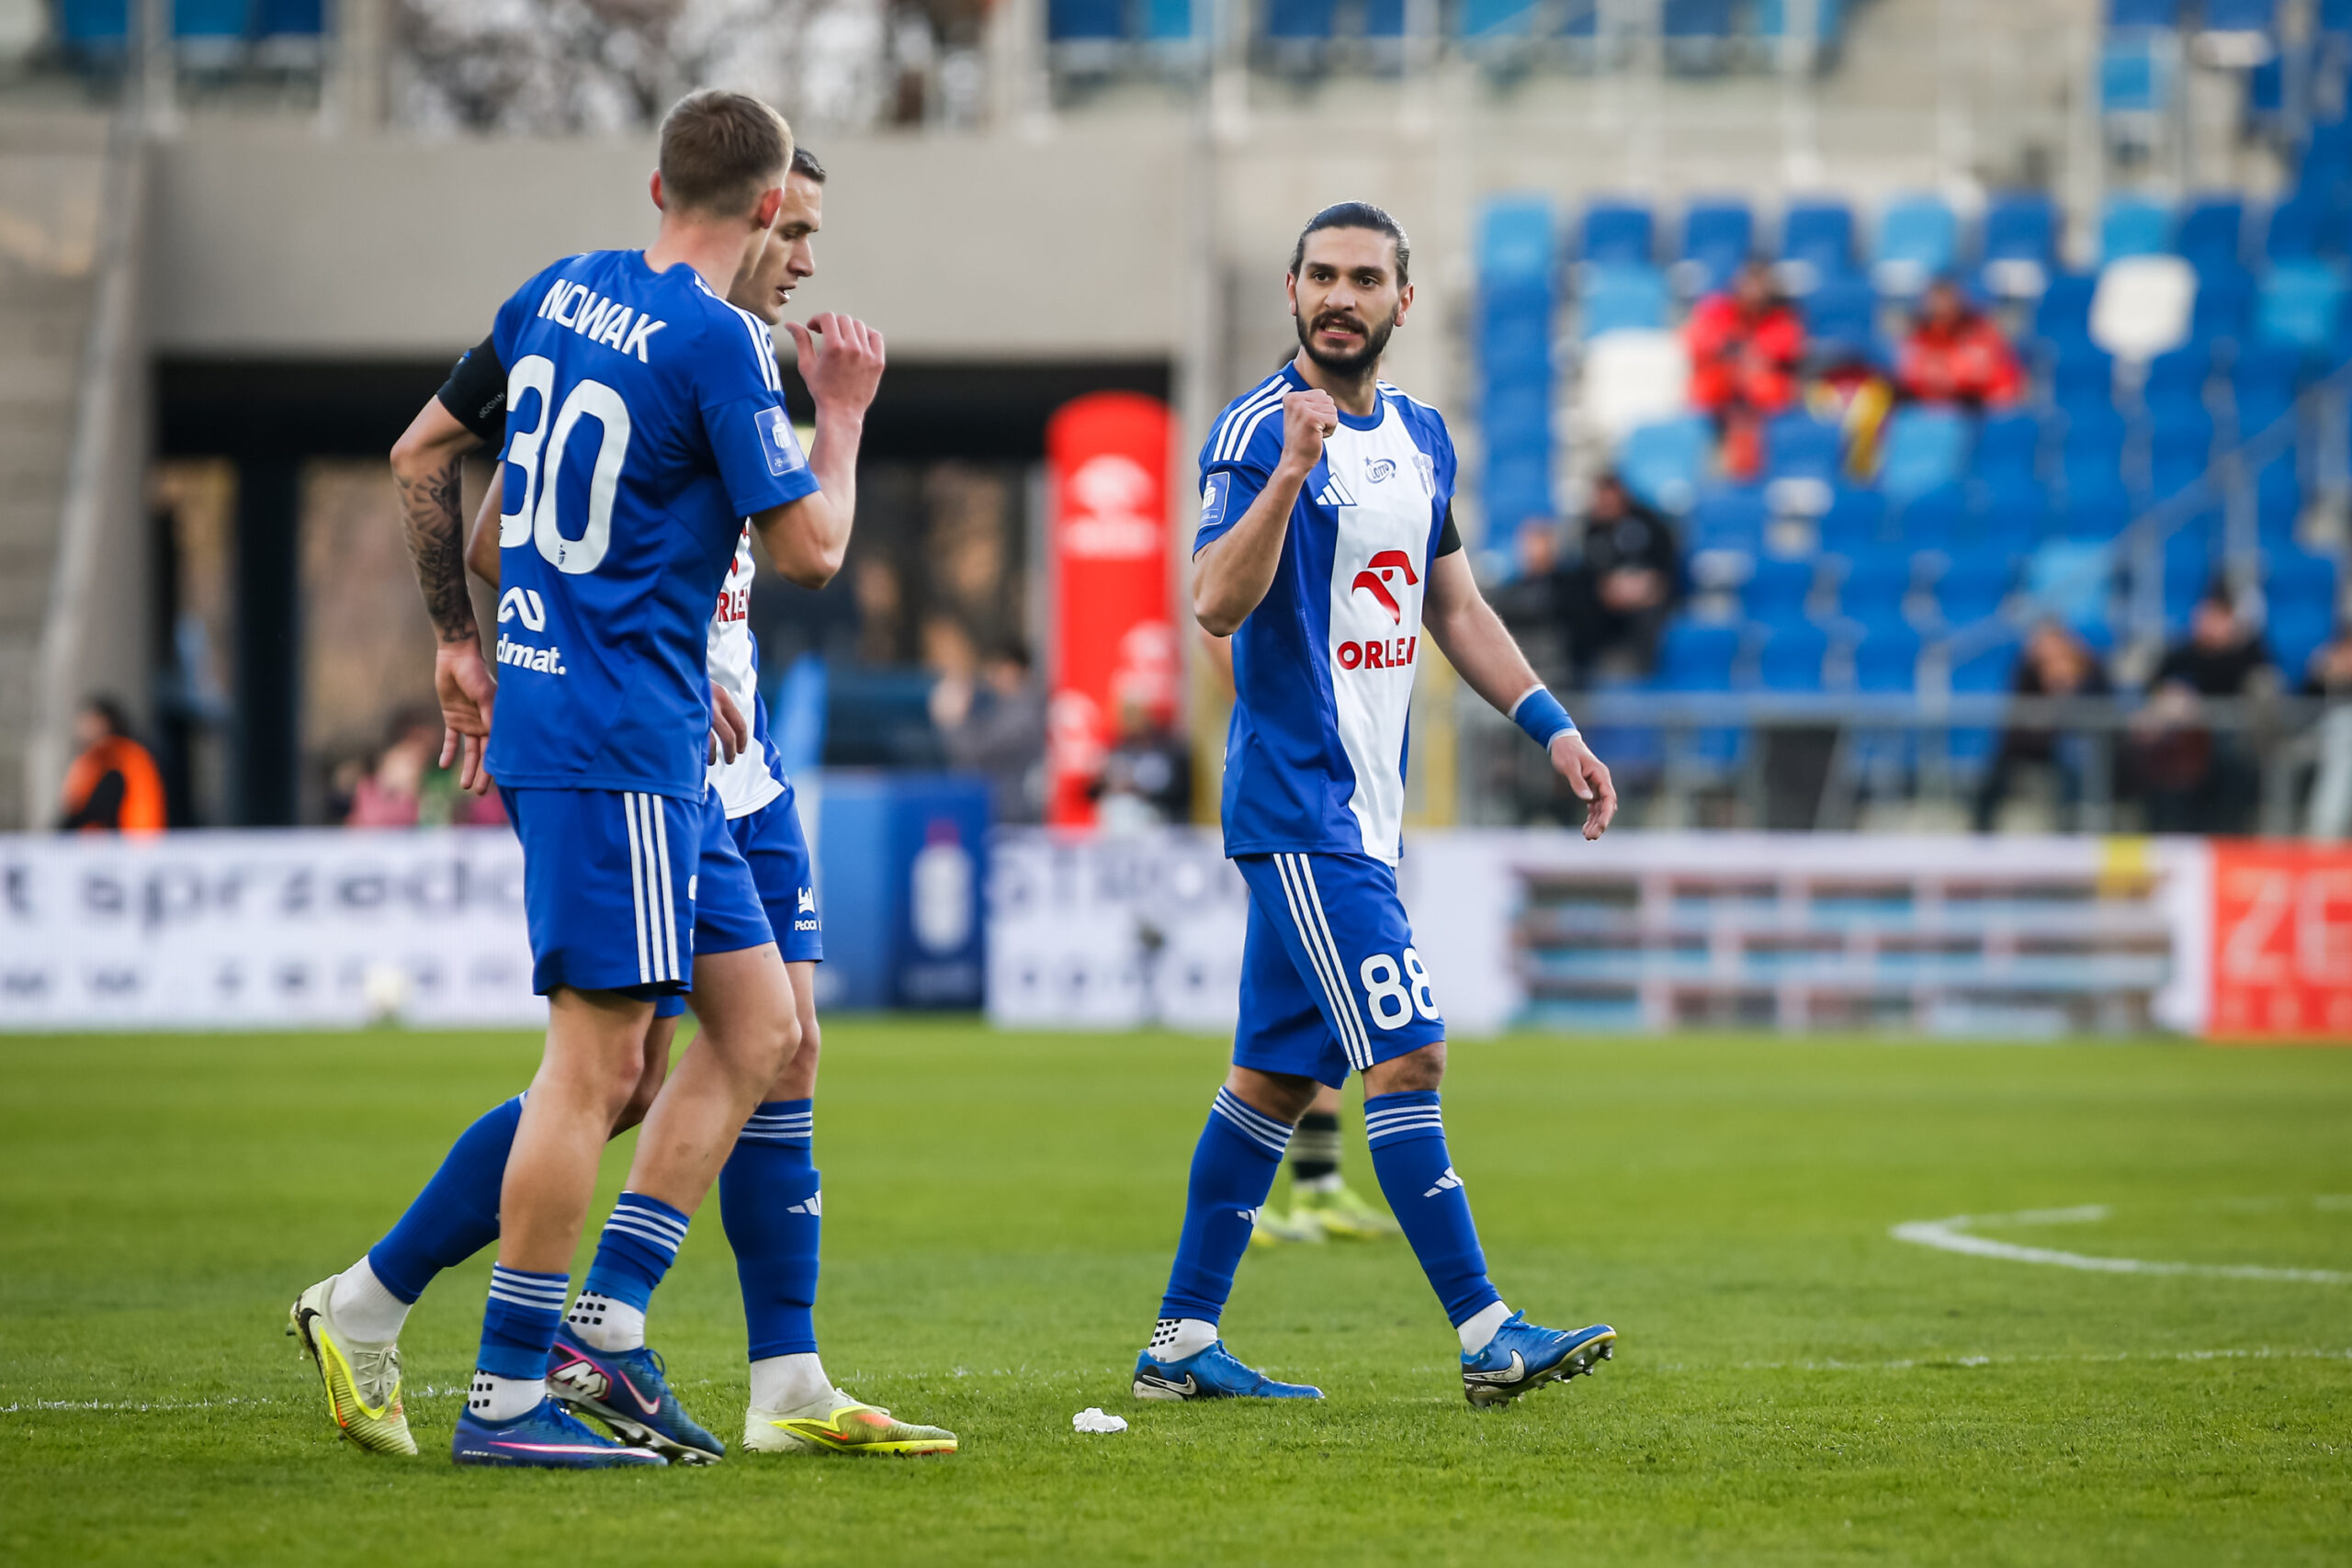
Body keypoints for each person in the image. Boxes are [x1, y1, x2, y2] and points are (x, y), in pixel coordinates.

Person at [290, 136, 952, 1464]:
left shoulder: (565, 294)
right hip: (625, 743)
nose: (804, 258)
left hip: (675, 737)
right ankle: (494, 1379)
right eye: (794, 227)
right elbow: (813, 552)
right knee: (603, 1067)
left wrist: (501, 640)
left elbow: (482, 511)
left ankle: (709, 1357)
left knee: (764, 1034)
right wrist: (842, 413)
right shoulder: (716, 347)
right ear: (759, 207)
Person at [1133, 202, 1620, 1410]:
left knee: (1269, 1081)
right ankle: (1488, 1332)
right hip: (1303, 805)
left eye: (1365, 278)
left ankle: (1180, 1343)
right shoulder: (1257, 430)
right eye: (1322, 276)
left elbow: (1455, 606)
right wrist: (1292, 472)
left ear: (1403, 300)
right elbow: (1212, 600)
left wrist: (1552, 726)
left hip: (1365, 810)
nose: (1340, 297)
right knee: (1408, 1051)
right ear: (1292, 291)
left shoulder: (1421, 436)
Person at [2129, 589, 2275, 834]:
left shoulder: (2249, 654)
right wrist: (2168, 696)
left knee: (2232, 767)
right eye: (2202, 616)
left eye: (2214, 617)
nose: (2205, 624)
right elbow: (2152, 687)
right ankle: (2169, 833)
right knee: (2160, 767)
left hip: (2231, 749)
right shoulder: (2182, 653)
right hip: (2182, 748)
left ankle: (2228, 835)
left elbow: (2260, 687)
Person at [1971, 621, 2113, 833]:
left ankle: (2069, 827)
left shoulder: (2089, 667)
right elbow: (2018, 715)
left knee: (2073, 753)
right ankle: (1981, 827)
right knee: (1999, 761)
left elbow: (2100, 709)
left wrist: (2067, 690)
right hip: (2038, 741)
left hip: (2083, 743)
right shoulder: (2028, 670)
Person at [1685, 259, 1804, 480]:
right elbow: (1697, 340)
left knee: (1762, 386)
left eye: (1760, 285)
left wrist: (1748, 355)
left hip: (1761, 411)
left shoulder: (1783, 317)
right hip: (1718, 405)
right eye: (1749, 284)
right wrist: (1731, 349)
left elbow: (1784, 347)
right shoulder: (1717, 309)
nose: (1753, 292)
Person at [1566, 472, 1682, 679]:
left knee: (1652, 622)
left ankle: (1648, 679)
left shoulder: (1650, 523)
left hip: (1648, 600)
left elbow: (1667, 568)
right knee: (1578, 606)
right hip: (1607, 603)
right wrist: (1607, 591)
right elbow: (1589, 572)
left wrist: (1647, 589)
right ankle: (1583, 676)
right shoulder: (1593, 528)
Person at [933, 641, 1047, 822]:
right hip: (1001, 809)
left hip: (1014, 814)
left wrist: (953, 721)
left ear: (1012, 668)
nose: (991, 677)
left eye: (995, 669)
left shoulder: (1026, 711)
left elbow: (977, 749)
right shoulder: (1002, 705)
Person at [1895, 278, 2024, 410]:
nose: (1941, 307)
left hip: (1975, 410)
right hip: (1926, 410)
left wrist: (1949, 372)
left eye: (1946, 300)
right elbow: (1909, 375)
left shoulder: (1980, 333)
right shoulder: (1918, 336)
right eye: (1936, 302)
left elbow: (1995, 380)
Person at [56, 697, 164, 834]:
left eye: (88, 721)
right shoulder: (101, 757)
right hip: (120, 841)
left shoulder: (116, 758)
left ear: (105, 722)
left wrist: (61, 832)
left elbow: (95, 807)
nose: (80, 729)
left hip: (126, 841)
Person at [2302, 622, 2352, 838]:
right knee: (2345, 731)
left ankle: (2325, 828)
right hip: (2319, 732)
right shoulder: (2325, 659)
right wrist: (2326, 674)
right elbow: (2304, 699)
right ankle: (2325, 829)